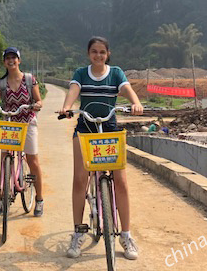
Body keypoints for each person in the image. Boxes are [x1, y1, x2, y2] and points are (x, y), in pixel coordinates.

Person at [59, 36, 144, 260]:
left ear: (108, 54)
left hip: (109, 130)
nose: (98, 55)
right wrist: (67, 107)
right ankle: (78, 232)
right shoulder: (80, 73)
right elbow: (74, 91)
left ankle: (125, 235)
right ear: (89, 53)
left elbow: (126, 89)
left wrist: (135, 102)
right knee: (80, 179)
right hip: (85, 129)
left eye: (102, 52)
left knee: (121, 182)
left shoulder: (116, 73)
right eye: (94, 52)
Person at [0, 46, 45, 217]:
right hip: (9, 123)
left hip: (27, 122)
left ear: (19, 60)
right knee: (4, 159)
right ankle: (1, 196)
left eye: (14, 57)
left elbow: (38, 100)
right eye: (8, 58)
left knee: (32, 160)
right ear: (4, 62)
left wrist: (37, 105)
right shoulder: (1, 84)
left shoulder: (29, 80)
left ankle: (39, 199)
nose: (11, 60)